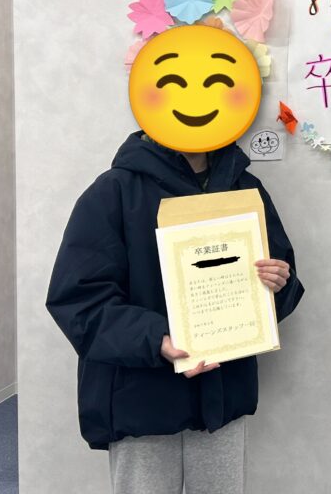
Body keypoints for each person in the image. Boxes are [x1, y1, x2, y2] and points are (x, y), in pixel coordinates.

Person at [46, 132, 304, 494]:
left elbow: (277, 288)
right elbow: (79, 300)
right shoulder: (114, 191)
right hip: (140, 400)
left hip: (222, 399)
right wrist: (158, 340)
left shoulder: (245, 189)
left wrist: (278, 283)